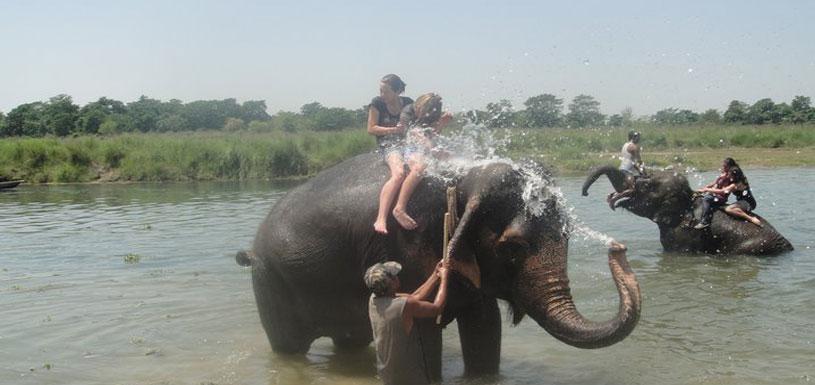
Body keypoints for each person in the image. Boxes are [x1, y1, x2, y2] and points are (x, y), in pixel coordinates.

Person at [365, 260, 450, 385]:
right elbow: (437, 308)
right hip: (410, 377)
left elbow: (415, 297)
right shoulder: (404, 306)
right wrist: (445, 279)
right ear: (392, 283)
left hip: (388, 375)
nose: (397, 277)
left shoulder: (374, 299)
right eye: (394, 276)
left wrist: (435, 275)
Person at [390, 93, 453, 230]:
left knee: (449, 157)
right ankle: (399, 208)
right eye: (422, 111)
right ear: (417, 106)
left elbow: (432, 134)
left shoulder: (433, 114)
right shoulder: (407, 113)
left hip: (425, 145)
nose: (424, 115)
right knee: (419, 167)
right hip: (408, 146)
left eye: (428, 113)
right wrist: (432, 148)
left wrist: (441, 124)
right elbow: (416, 134)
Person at [369, 74, 414, 234]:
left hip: (407, 143)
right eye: (381, 91)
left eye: (385, 91)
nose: (382, 95)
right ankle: (381, 218)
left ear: (397, 91)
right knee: (399, 174)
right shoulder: (377, 104)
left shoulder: (408, 103)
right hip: (388, 144)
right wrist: (393, 129)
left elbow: (416, 125)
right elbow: (371, 128)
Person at [693, 157, 738, 229]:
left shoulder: (729, 177)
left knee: (706, 199)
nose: (723, 167)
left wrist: (707, 190)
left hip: (720, 198)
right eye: (723, 165)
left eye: (725, 166)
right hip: (715, 195)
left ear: (729, 167)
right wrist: (705, 187)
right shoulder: (723, 174)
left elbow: (723, 192)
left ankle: (705, 221)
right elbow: (715, 182)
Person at [607, 131, 644, 209]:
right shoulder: (634, 147)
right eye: (637, 136)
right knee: (632, 189)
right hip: (627, 171)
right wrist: (643, 172)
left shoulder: (625, 145)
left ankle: (611, 195)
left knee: (627, 188)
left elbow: (629, 159)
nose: (639, 138)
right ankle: (614, 200)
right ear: (633, 137)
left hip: (622, 168)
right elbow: (638, 162)